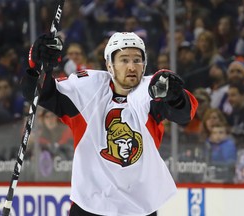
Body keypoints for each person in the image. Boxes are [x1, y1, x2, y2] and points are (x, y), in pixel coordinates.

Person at [21, 32, 198, 216]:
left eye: (137, 60)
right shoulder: (87, 89)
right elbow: (37, 93)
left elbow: (184, 115)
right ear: (109, 65)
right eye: (124, 60)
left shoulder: (152, 90)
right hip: (90, 205)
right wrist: (38, 65)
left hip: (139, 207)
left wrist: (176, 96)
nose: (131, 66)